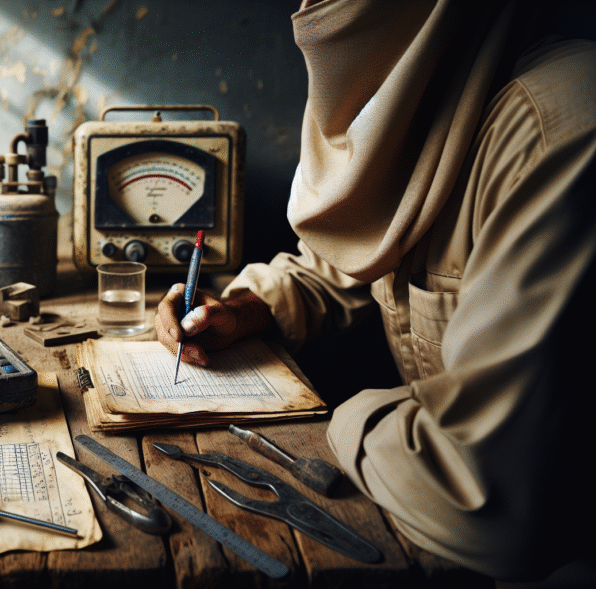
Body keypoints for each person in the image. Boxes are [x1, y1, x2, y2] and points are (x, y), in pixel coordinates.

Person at [155, 0, 595, 582]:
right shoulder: (436, 96)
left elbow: (489, 499)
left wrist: (339, 418)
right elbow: (353, 256)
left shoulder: (557, 129)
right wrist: (245, 307)